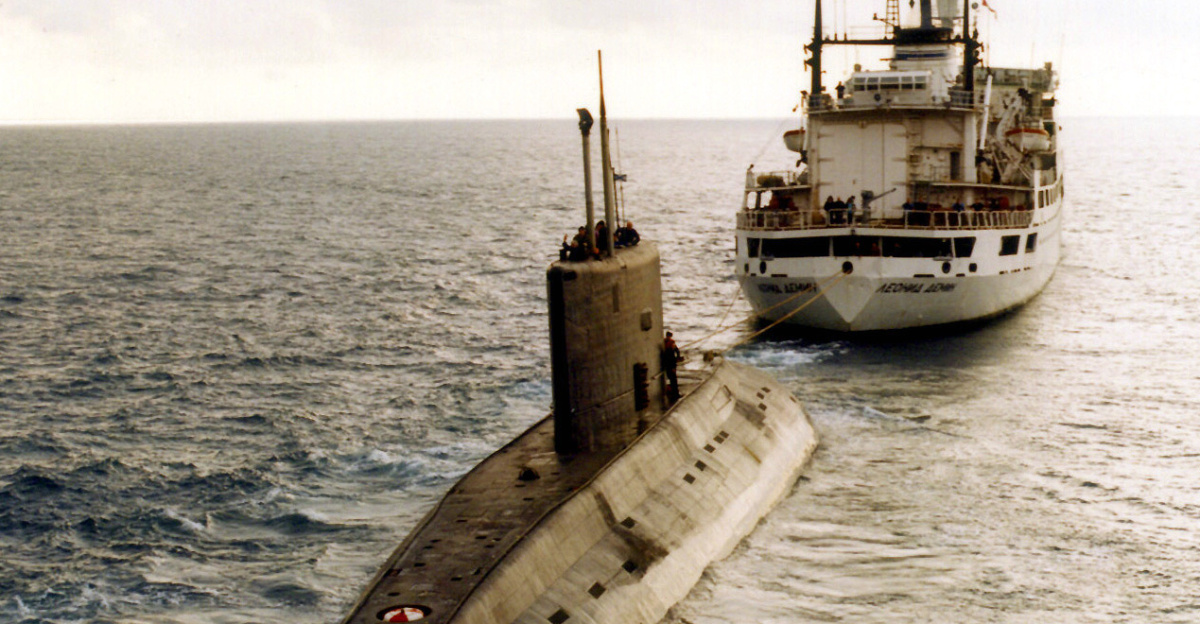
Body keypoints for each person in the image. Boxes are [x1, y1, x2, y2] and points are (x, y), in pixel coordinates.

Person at [662, 331, 681, 402]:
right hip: (669, 364)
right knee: (673, 379)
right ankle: (675, 394)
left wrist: (678, 357)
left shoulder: (666, 343)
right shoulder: (670, 344)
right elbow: (676, 352)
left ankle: (675, 393)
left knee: (672, 379)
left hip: (668, 364)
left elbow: (677, 351)